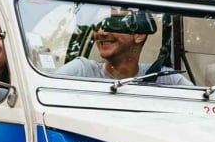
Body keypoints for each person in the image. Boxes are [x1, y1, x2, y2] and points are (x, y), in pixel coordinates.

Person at [55, 8, 192, 85]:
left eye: (113, 23)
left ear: (138, 35)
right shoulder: (81, 71)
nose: (102, 32)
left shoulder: (166, 79)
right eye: (97, 24)